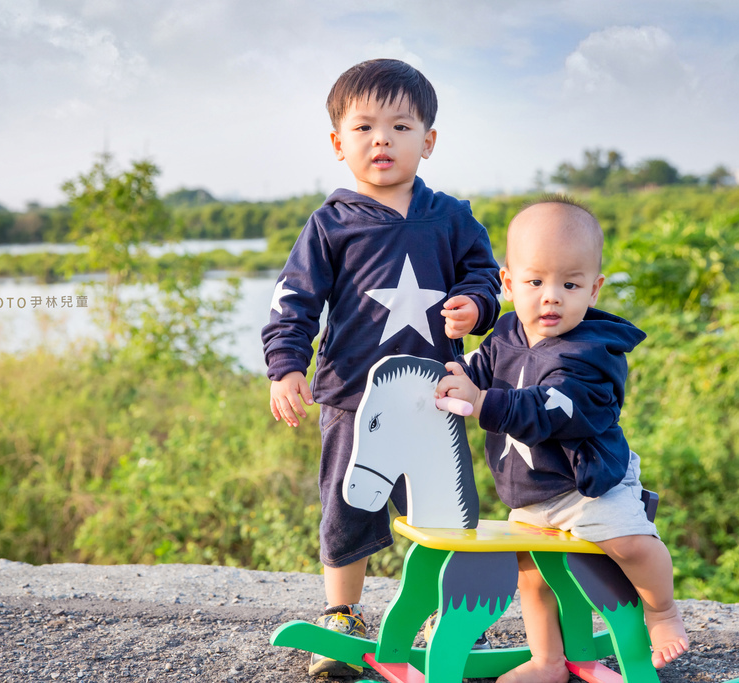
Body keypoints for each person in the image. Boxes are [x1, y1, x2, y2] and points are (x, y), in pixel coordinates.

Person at [261, 58, 501, 678]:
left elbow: (485, 276)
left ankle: (444, 613)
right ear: (339, 143)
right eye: (364, 128)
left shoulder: (450, 217)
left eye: (400, 126)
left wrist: (475, 304)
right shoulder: (330, 224)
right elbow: (295, 301)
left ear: (429, 140)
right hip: (349, 395)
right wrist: (286, 366)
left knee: (445, 507)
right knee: (347, 503)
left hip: (438, 393)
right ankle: (342, 613)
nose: (382, 140)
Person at [434, 197, 689, 682]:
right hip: (530, 491)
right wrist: (450, 378)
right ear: (508, 283)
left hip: (588, 486)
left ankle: (662, 611)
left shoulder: (593, 353)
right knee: (531, 574)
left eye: (570, 284)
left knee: (631, 544)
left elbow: (554, 408)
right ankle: (547, 660)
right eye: (535, 282)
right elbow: (477, 371)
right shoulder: (506, 332)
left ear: (593, 289)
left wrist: (483, 401)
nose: (551, 297)